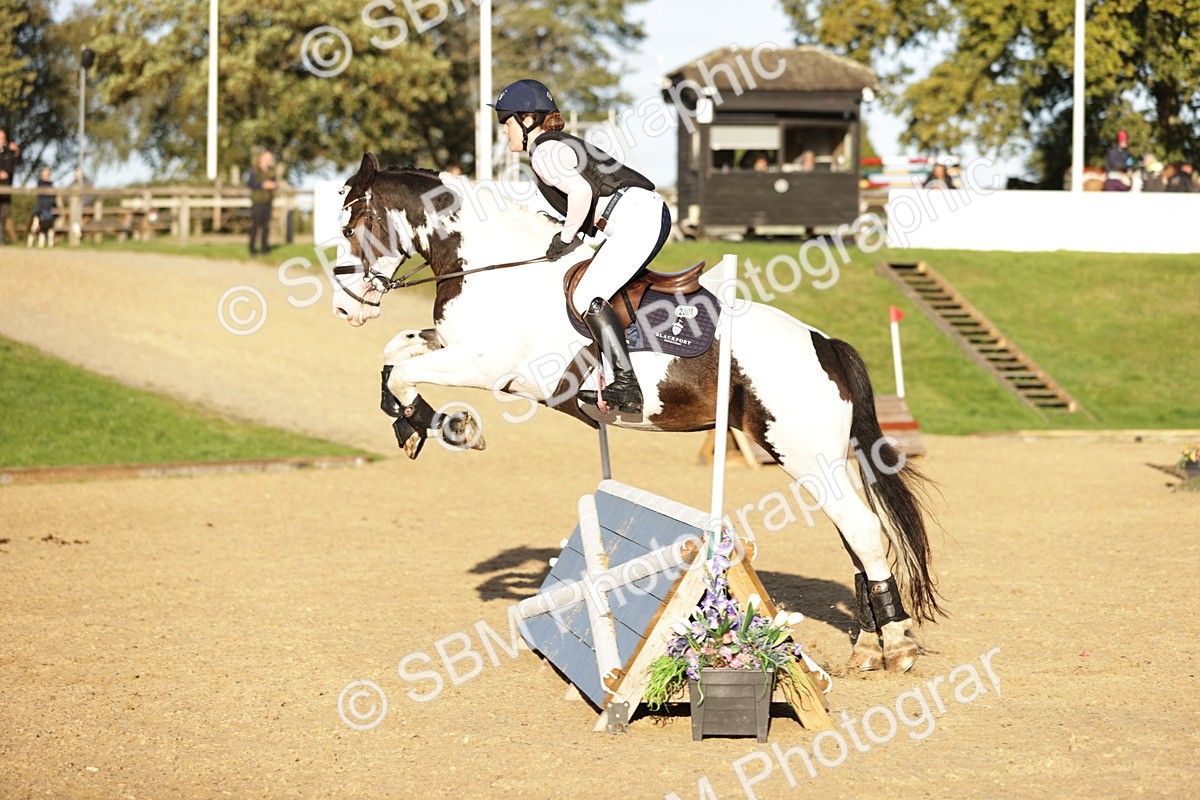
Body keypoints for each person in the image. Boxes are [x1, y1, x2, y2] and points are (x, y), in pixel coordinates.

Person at [491, 78, 670, 415]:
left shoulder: (544, 150)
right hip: (635, 216)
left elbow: (581, 193)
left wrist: (566, 236)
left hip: (636, 219)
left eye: (506, 122)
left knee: (586, 295)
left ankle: (626, 385)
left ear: (527, 120)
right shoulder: (551, 147)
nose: (503, 131)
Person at [246, 149, 278, 255]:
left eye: (270, 159)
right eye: (266, 158)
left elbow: (276, 183)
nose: (268, 161)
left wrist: (273, 185)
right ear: (261, 158)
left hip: (268, 202)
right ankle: (252, 248)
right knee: (255, 226)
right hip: (257, 202)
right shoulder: (254, 170)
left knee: (266, 226)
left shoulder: (271, 171)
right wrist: (262, 185)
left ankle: (264, 249)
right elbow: (250, 184)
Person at [0, 129, 21, 244]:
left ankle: (0, 239)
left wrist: (17, 151)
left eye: (2, 138)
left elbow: (19, 163)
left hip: (6, 190)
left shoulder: (8, 153)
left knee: (3, 215)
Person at [32, 167, 56, 238]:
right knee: (40, 221)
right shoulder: (40, 184)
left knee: (48, 221)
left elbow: (53, 197)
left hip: (49, 207)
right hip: (42, 207)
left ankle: (47, 237)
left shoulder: (51, 185)